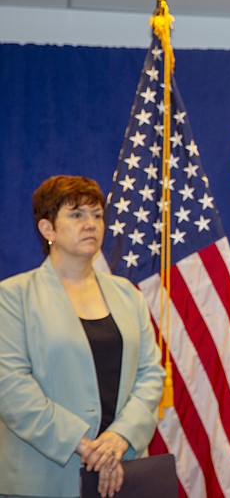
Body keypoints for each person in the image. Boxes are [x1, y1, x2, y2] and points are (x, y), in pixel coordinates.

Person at [0, 175, 165, 498]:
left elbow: (151, 375)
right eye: (76, 215)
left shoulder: (127, 295)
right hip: (43, 481)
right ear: (48, 229)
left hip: (123, 470)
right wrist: (85, 446)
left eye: (97, 215)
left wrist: (119, 438)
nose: (90, 224)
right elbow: (12, 389)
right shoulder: (12, 297)